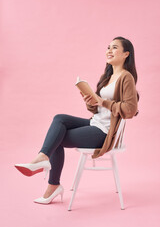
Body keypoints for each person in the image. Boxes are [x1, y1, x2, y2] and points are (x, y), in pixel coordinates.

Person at [15, 36, 139, 205]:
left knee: (56, 138)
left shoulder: (126, 77)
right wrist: (91, 103)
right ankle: (44, 159)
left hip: (105, 132)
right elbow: (100, 109)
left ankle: (51, 182)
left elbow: (130, 110)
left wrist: (102, 101)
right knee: (59, 119)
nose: (109, 50)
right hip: (95, 123)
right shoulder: (107, 77)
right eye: (108, 47)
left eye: (114, 47)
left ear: (126, 54)